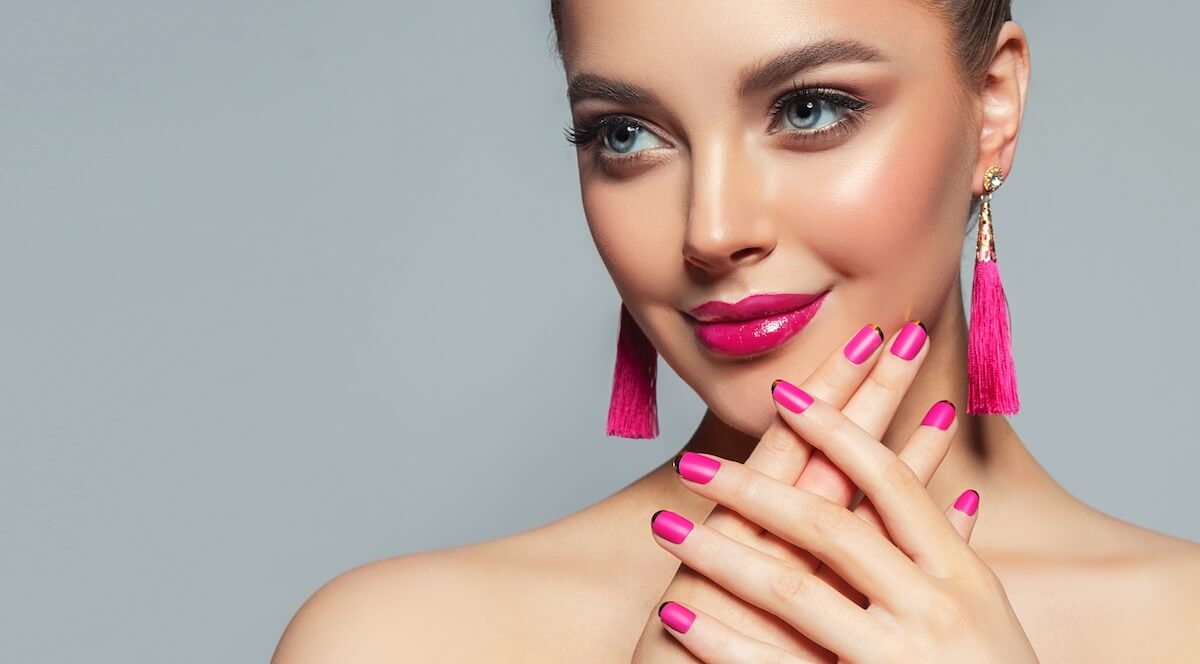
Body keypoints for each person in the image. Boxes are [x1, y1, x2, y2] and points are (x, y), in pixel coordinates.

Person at [271, 1, 1200, 661]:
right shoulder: (393, 640)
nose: (709, 230)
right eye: (626, 135)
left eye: (809, 109)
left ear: (992, 107)